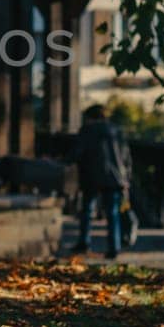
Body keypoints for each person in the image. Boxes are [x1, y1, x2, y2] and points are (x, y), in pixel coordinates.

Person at [66, 104, 133, 257]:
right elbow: (127, 156)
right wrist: (126, 177)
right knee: (112, 213)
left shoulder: (87, 130)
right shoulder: (117, 130)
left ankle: (84, 243)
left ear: (90, 117)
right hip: (115, 178)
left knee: (87, 210)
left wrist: (65, 161)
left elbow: (78, 152)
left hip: (92, 177)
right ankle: (114, 247)